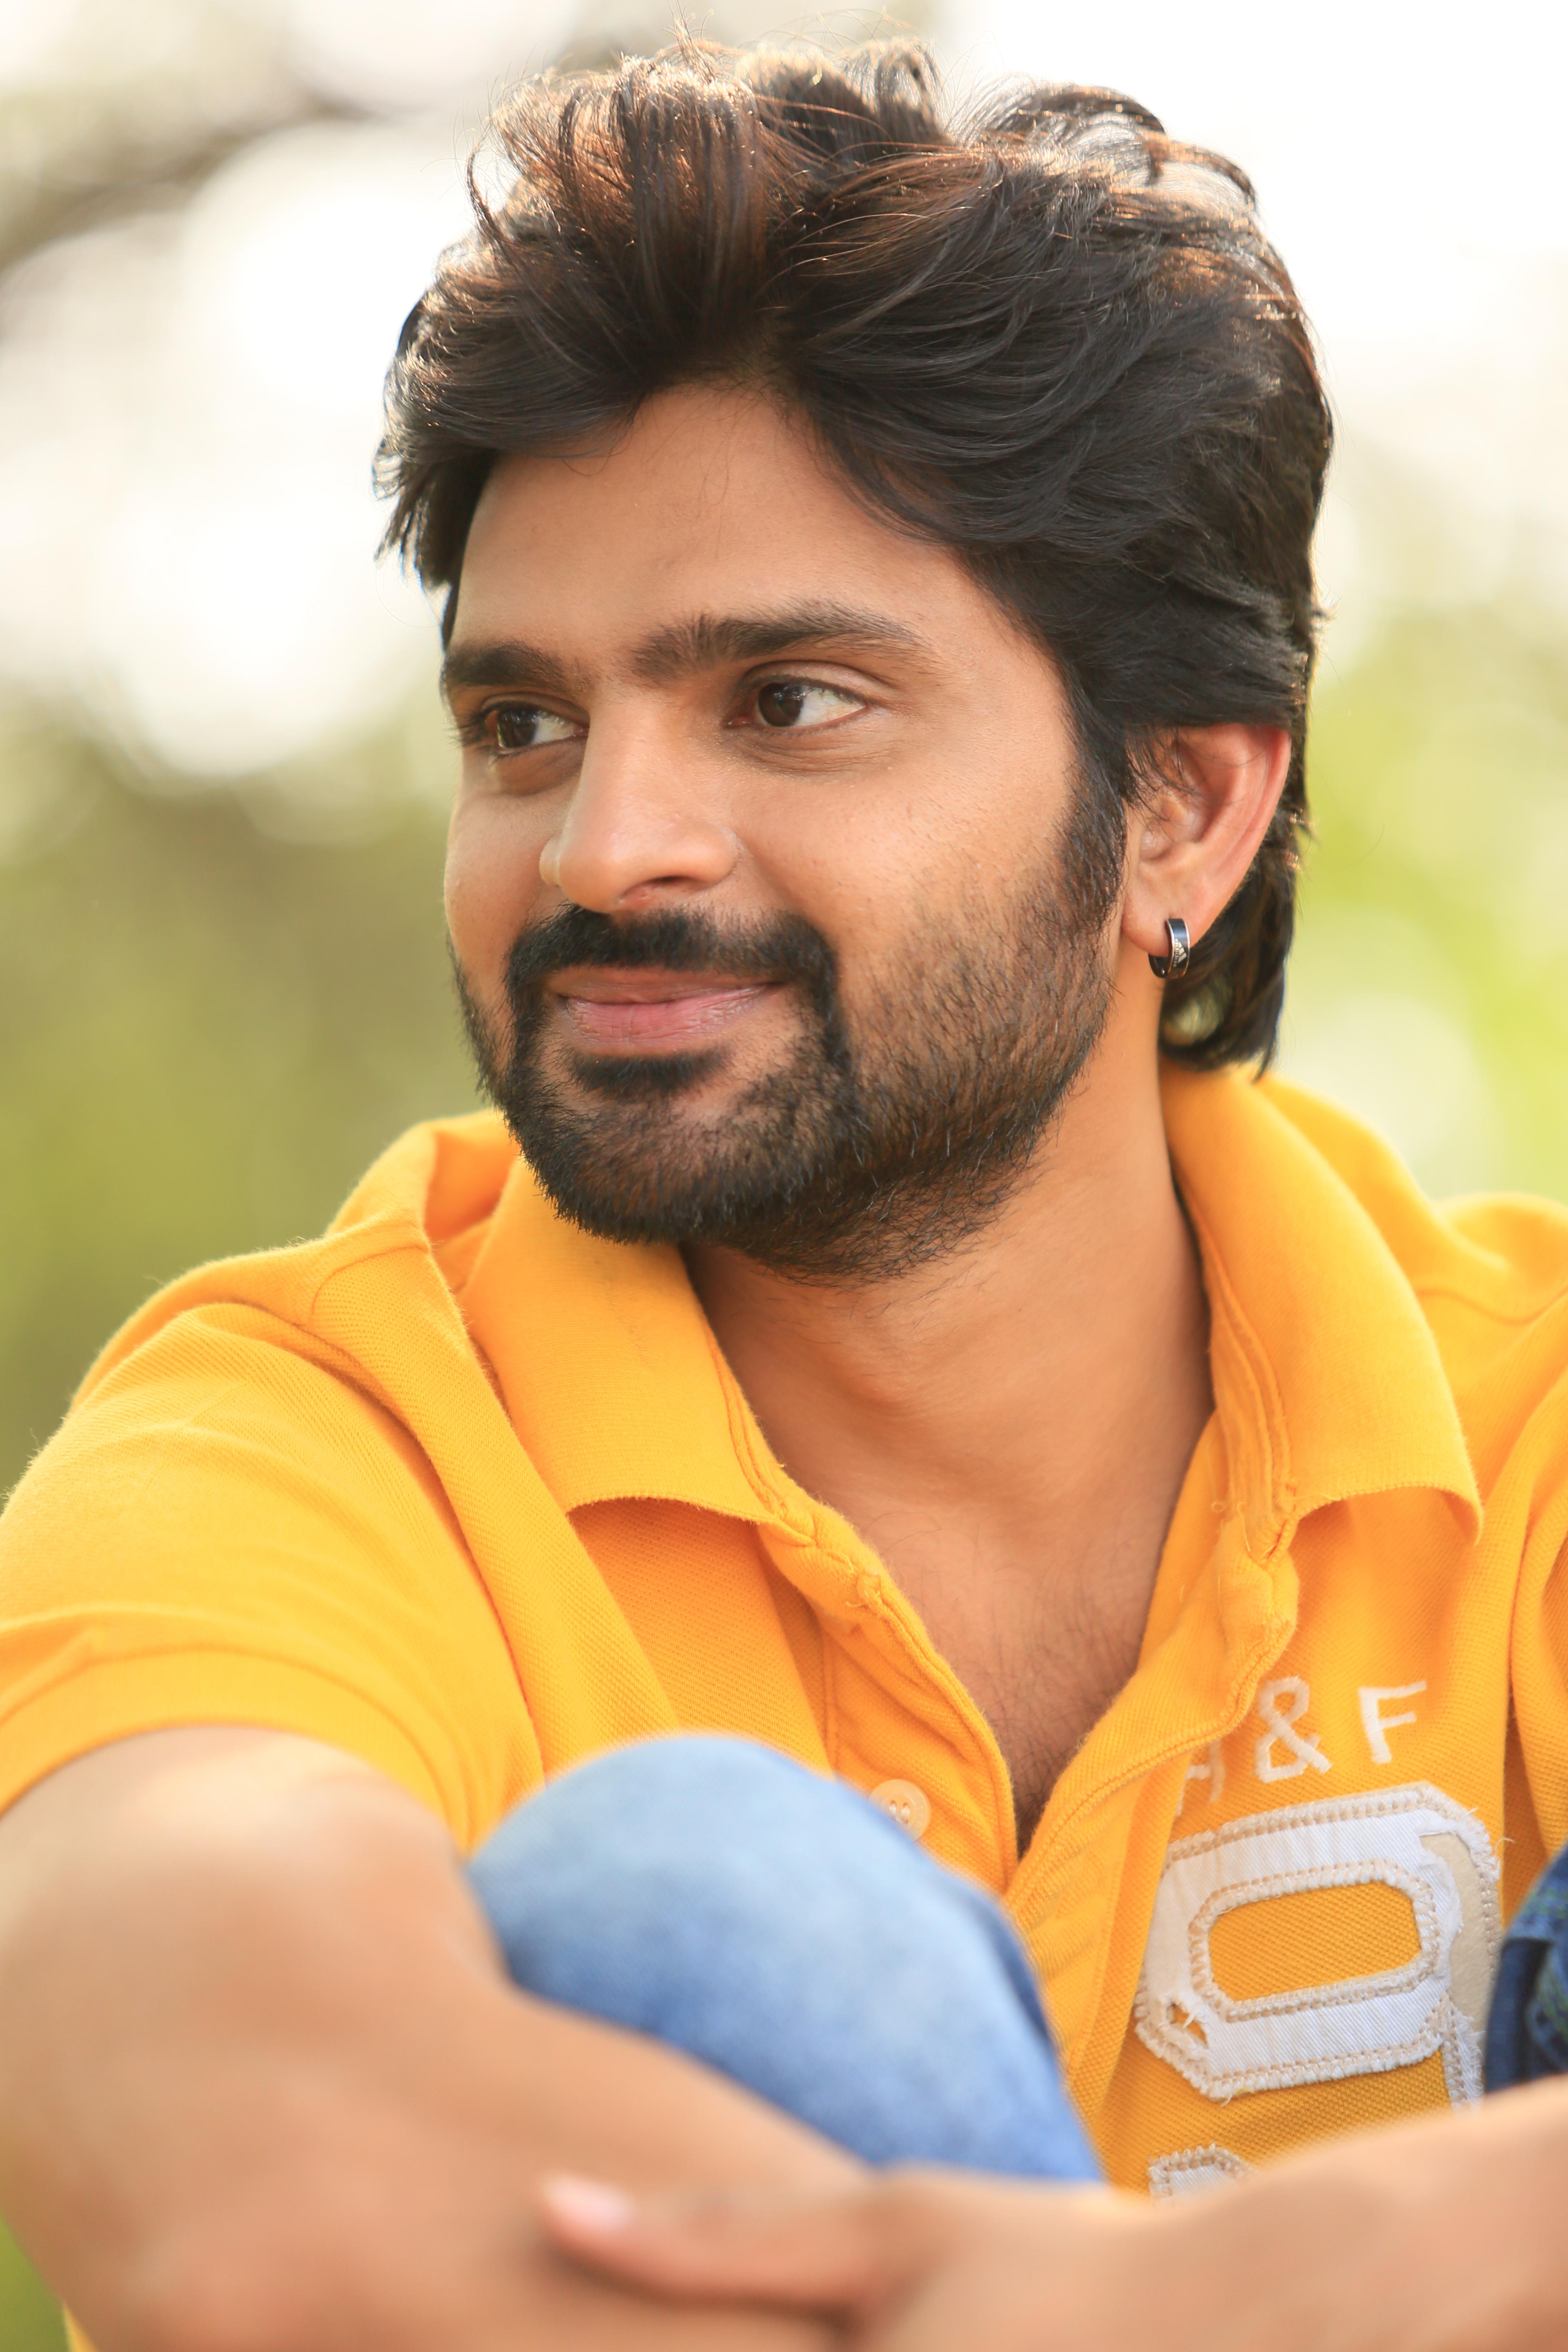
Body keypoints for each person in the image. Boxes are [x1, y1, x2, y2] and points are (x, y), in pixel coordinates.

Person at [2, 37, 1568, 2352]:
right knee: (695, 1909)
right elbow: (249, 2169)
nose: (601, 846)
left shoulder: (1526, 1418)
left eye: (791, 702)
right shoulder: (310, 1442)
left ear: (1183, 811)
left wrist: (1190, 2292)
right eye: (523, 725)